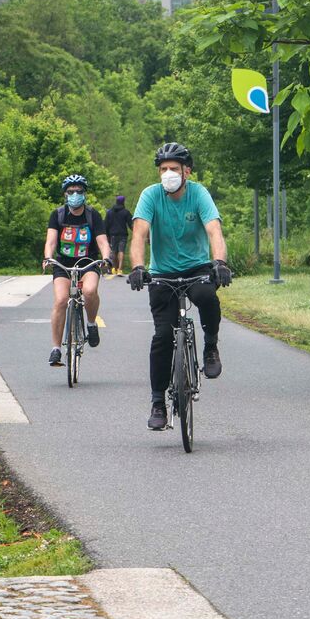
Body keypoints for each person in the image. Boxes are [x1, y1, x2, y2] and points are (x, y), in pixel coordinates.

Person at [127, 142, 233, 430]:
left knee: (207, 297)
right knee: (162, 336)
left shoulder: (198, 194)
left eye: (174, 168)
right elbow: (139, 233)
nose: (168, 174)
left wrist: (219, 262)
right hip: (162, 273)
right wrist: (138, 266)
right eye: (163, 169)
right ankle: (158, 402)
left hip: (196, 267)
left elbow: (214, 229)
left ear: (186, 171)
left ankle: (210, 346)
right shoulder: (150, 195)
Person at [42, 174, 112, 367]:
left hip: (88, 262)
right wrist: (48, 258)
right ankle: (56, 349)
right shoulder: (58, 215)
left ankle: (91, 324)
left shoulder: (92, 215)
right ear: (65, 194)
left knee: (89, 291)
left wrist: (106, 257)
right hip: (63, 264)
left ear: (84, 193)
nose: (75, 195)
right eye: (71, 191)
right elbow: (51, 241)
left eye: (79, 191)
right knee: (61, 300)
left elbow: (102, 242)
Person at [104, 195, 132, 275]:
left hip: (113, 235)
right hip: (123, 235)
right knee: (121, 251)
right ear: (123, 202)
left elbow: (106, 224)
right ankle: (120, 269)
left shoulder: (110, 212)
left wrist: (106, 235)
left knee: (114, 251)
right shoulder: (125, 212)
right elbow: (131, 224)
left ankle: (113, 268)